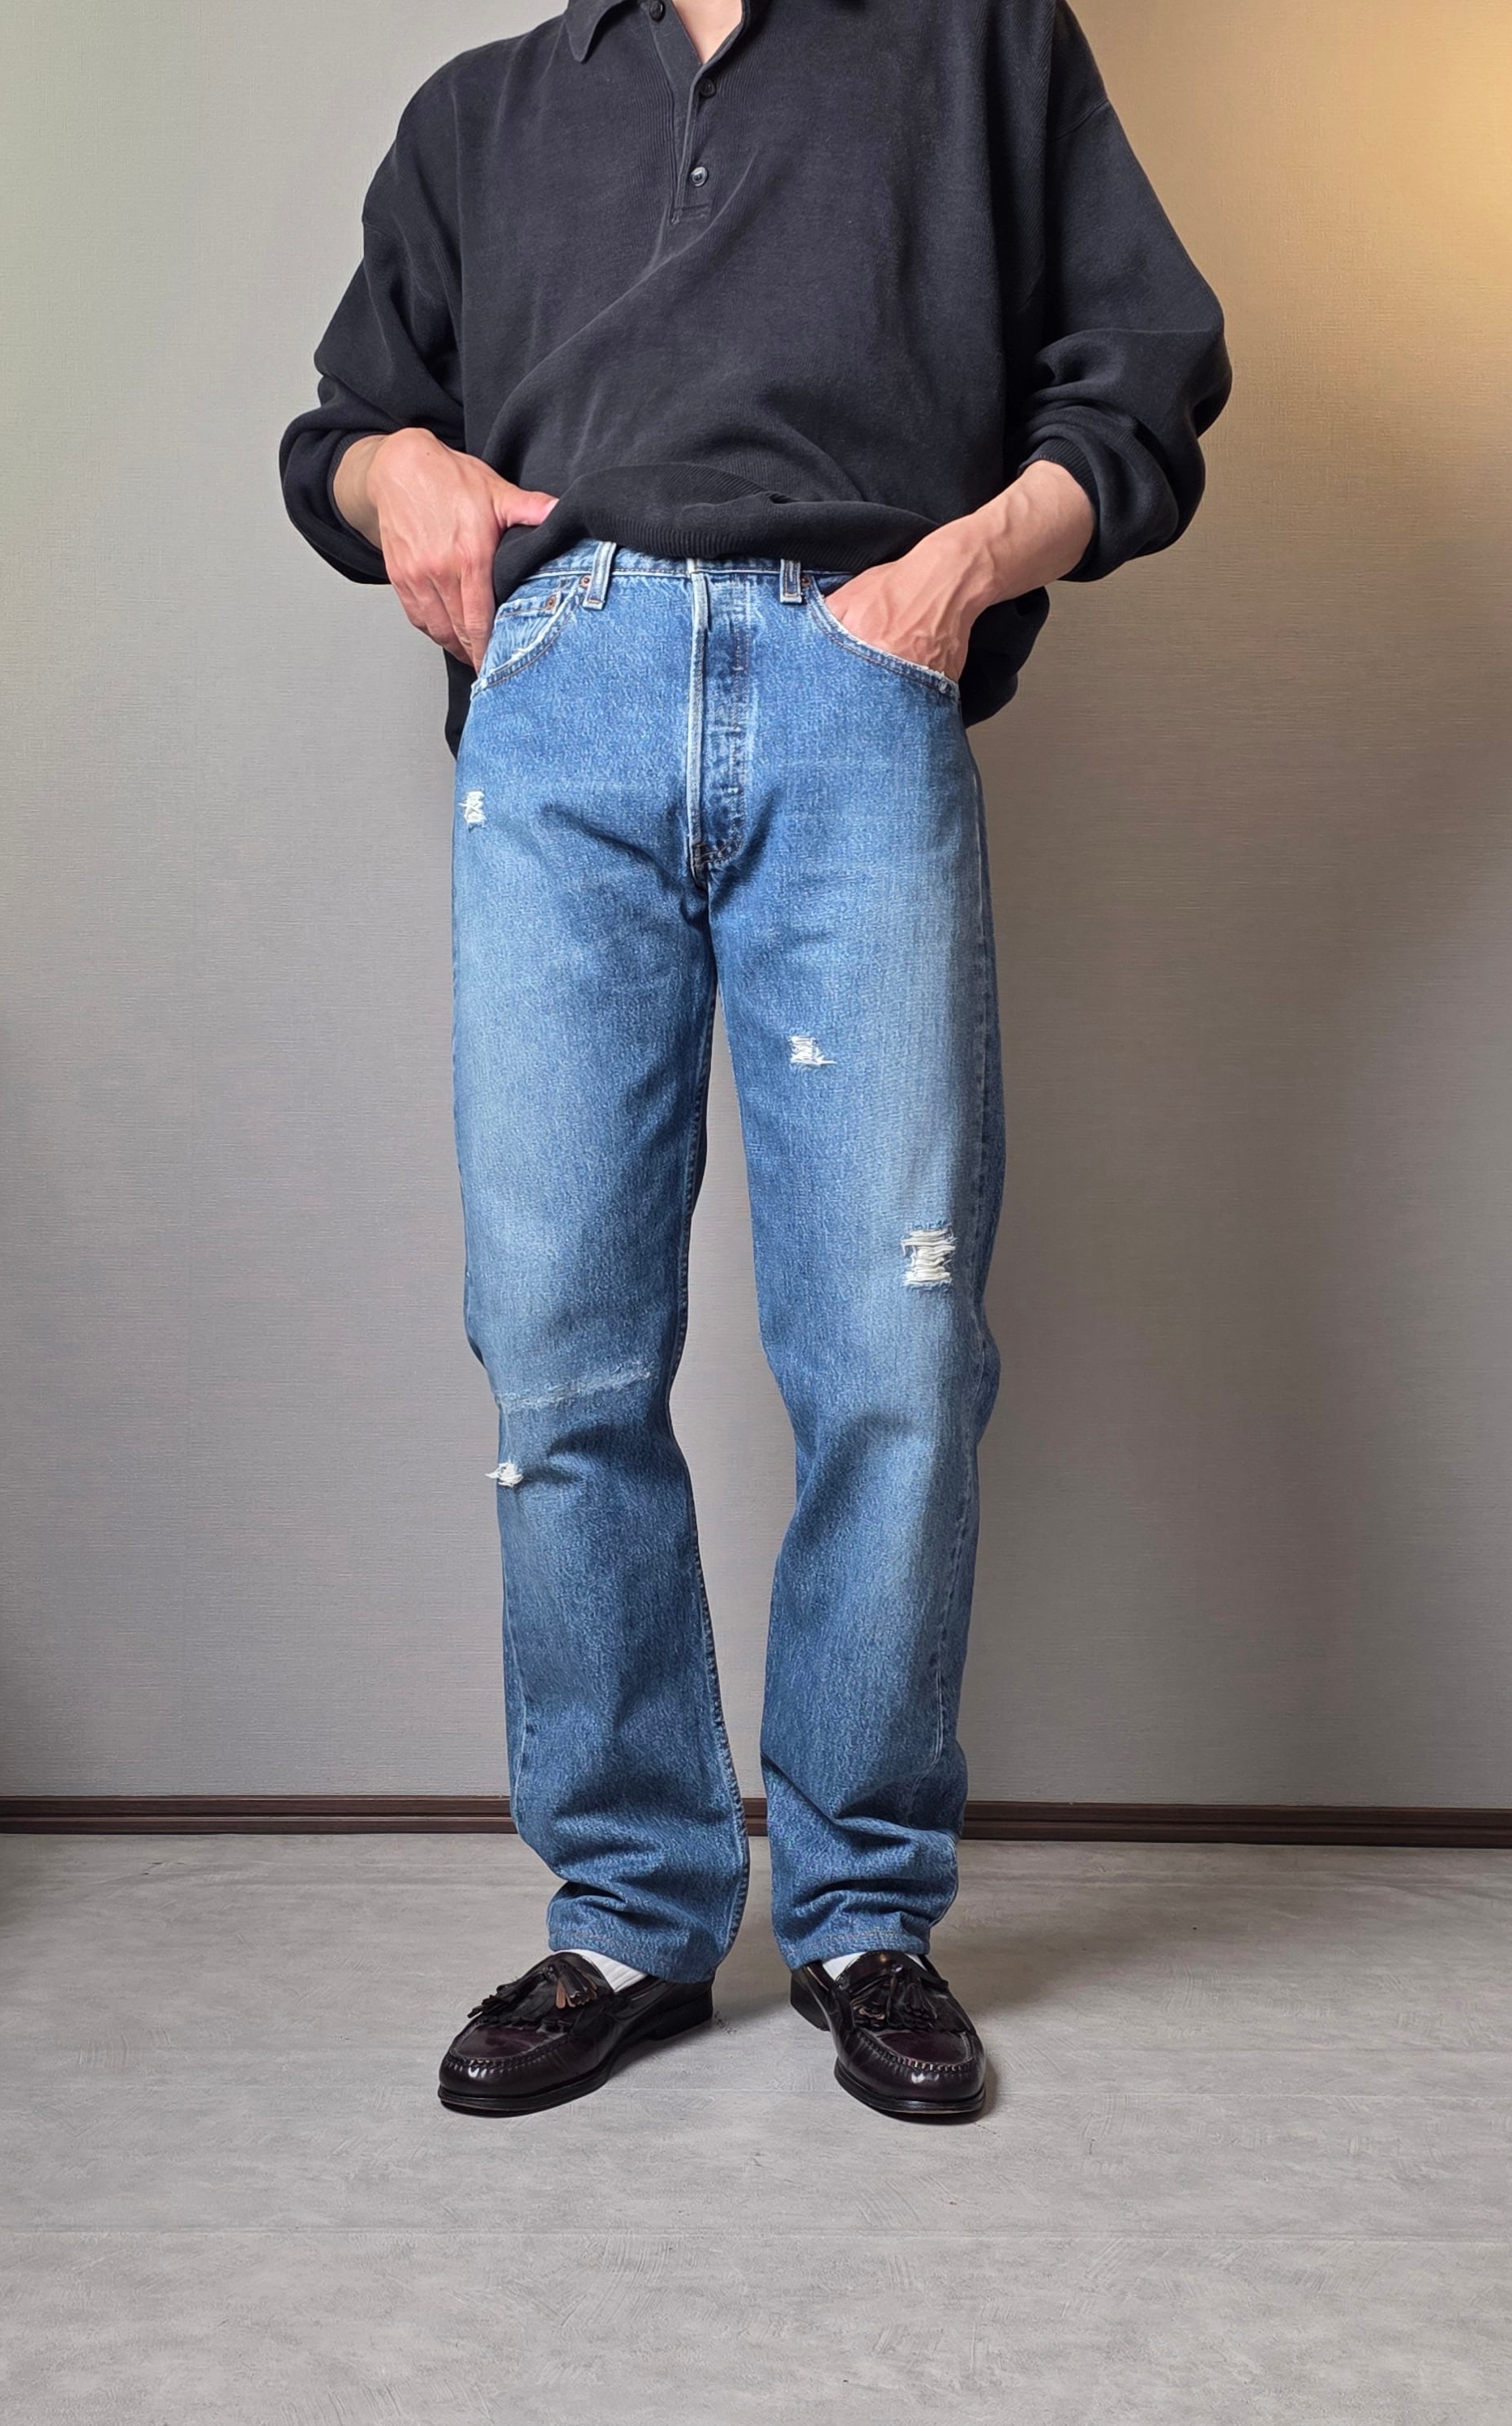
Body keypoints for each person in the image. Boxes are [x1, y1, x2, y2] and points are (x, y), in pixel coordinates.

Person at [282, 0, 1228, 2123]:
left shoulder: (978, 46)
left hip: (852, 678)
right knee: (559, 1350)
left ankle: (866, 1911)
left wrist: (959, 572)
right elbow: (340, 431)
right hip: (564, 702)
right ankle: (630, 1911)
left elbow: (1148, 372)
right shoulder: (482, 113)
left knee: (895, 1346)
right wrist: (392, 466)